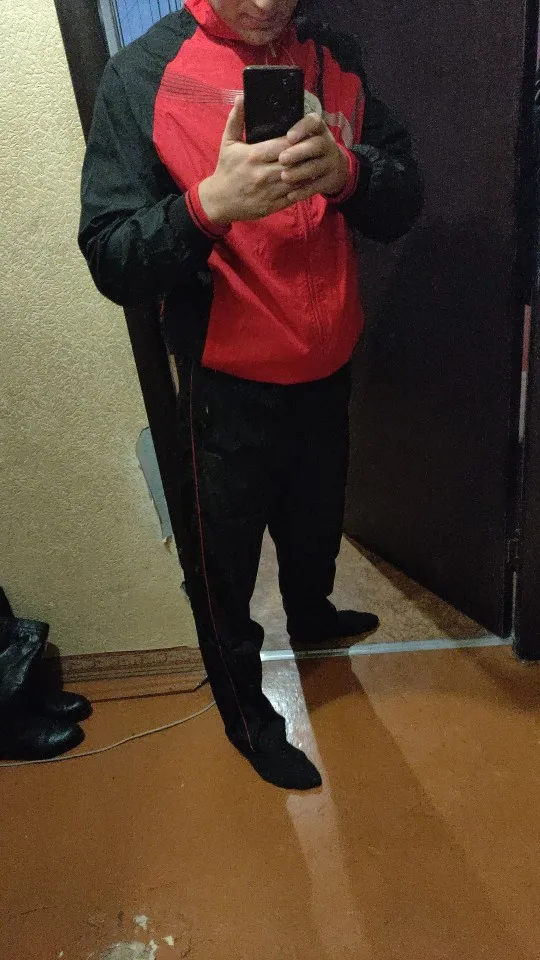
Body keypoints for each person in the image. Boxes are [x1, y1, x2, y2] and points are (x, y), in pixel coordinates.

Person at [79, 0, 424, 790]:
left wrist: (350, 174)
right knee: (224, 571)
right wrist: (208, 208)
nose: (268, 2)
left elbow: (406, 195)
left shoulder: (336, 53)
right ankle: (247, 716)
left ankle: (312, 615)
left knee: (316, 521)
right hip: (223, 387)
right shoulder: (142, 75)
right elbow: (110, 253)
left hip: (328, 364)